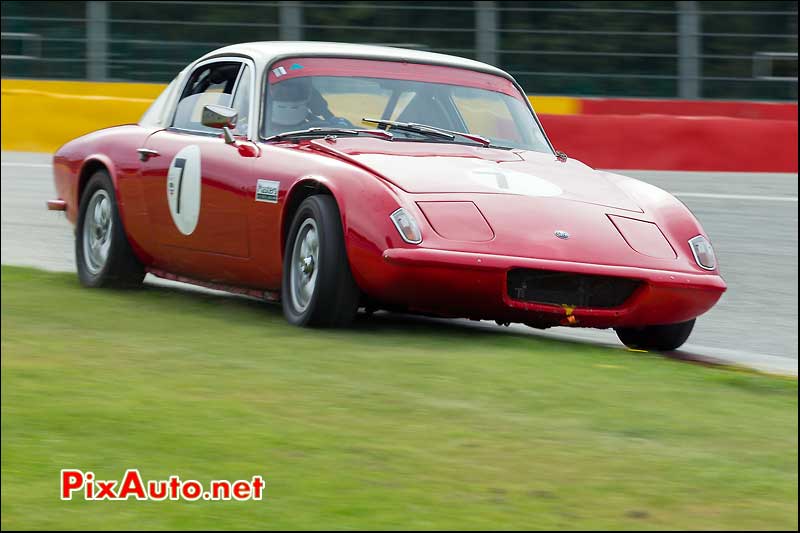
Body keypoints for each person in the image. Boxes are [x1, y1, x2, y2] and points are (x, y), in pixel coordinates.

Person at [267, 76, 353, 134]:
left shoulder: (317, 125)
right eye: (281, 92)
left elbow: (319, 107)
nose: (290, 94)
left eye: (299, 91)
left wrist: (330, 120)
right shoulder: (258, 123)